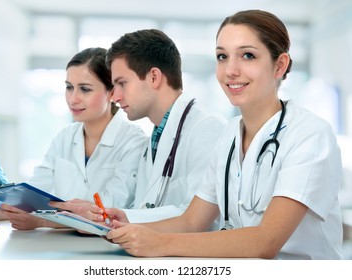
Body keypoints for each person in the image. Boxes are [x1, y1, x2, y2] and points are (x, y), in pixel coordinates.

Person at [105, 10, 344, 259]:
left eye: (247, 55)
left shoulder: (309, 134)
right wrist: (126, 227)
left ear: (279, 66)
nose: (230, 70)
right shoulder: (229, 134)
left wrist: (160, 243)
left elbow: (266, 240)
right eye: (222, 56)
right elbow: (191, 223)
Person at [51, 29, 227, 225]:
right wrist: (101, 216)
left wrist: (127, 218)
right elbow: (144, 207)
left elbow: (200, 216)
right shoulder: (154, 139)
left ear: (154, 77)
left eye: (122, 83)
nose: (115, 96)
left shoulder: (206, 128)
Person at [0, 47, 147, 229]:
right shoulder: (64, 138)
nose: (73, 99)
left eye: (85, 89)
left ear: (112, 93)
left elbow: (107, 212)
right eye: (69, 87)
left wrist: (43, 221)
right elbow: (33, 195)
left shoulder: (133, 142)